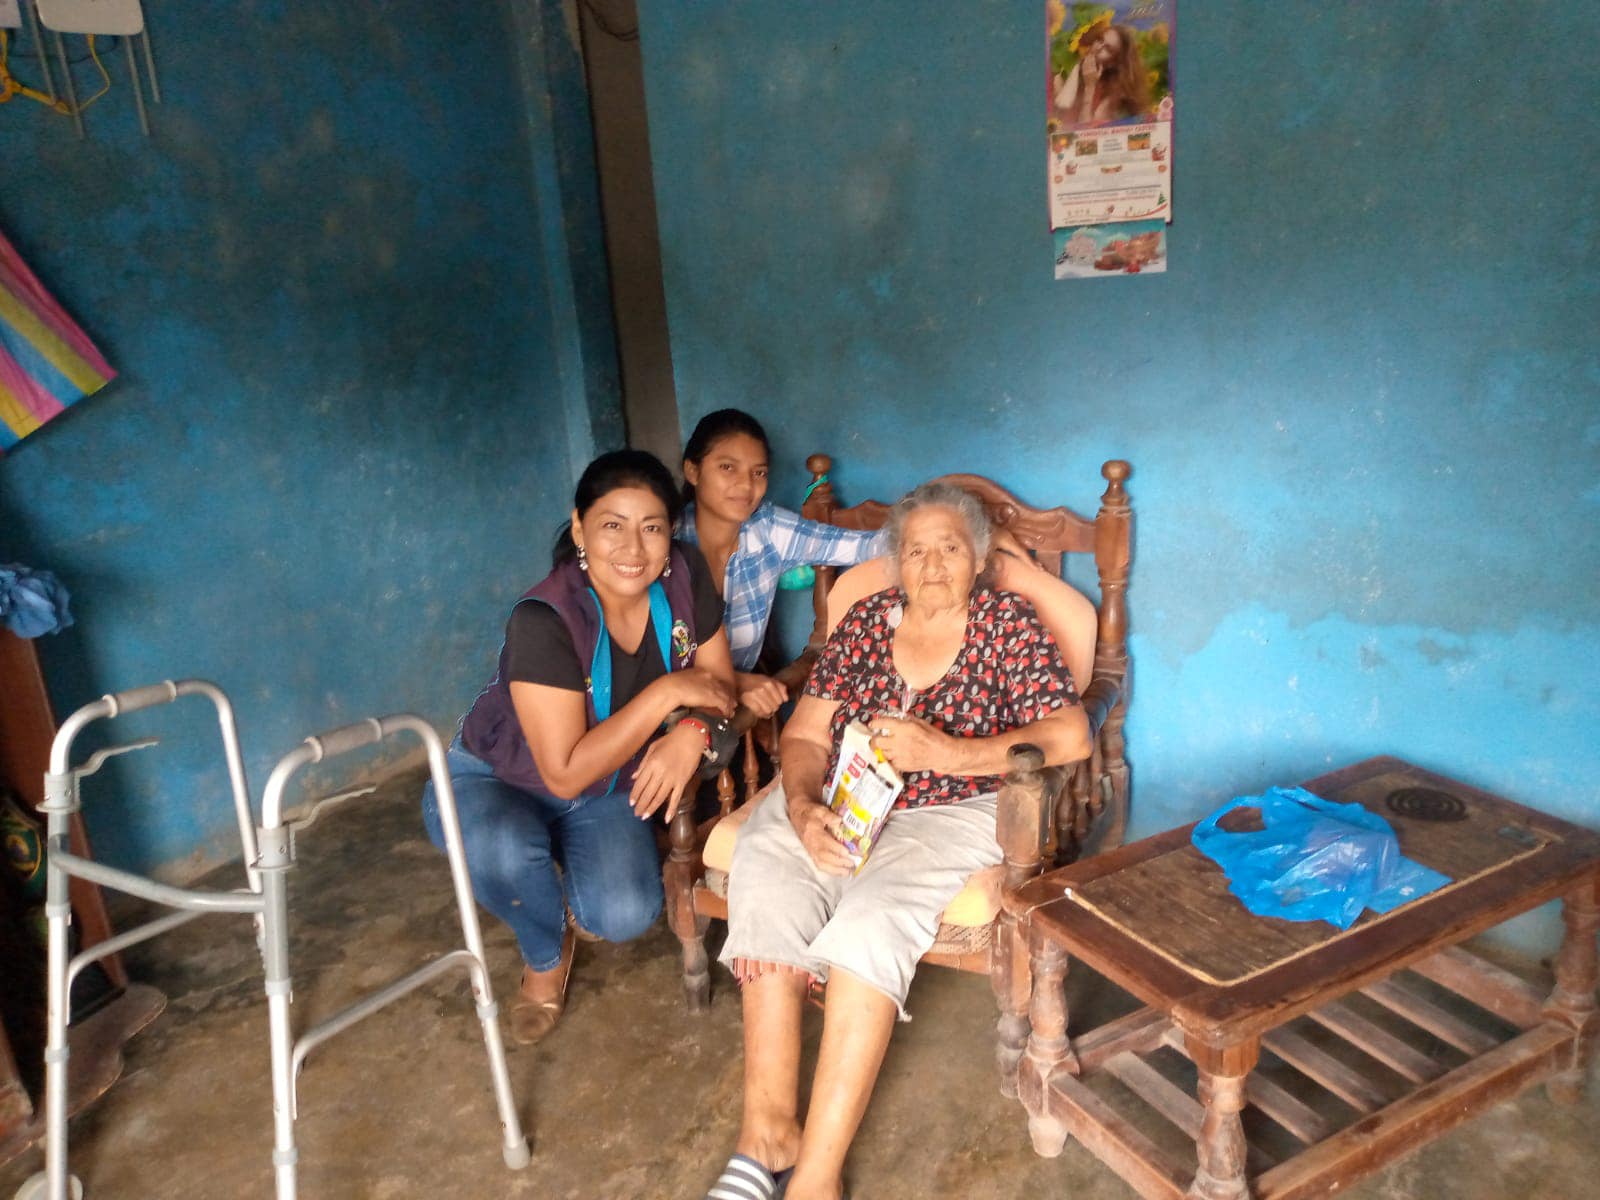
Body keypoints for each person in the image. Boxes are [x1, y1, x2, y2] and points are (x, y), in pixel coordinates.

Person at [704, 482, 1092, 1200]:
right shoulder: (864, 622)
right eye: (916, 551)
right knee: (767, 861)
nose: (933, 565)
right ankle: (766, 1134)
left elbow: (1071, 736)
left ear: (979, 558)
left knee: (872, 921)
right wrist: (800, 806)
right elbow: (805, 735)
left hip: (953, 808)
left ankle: (815, 1177)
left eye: (951, 548)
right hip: (843, 797)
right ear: (896, 563)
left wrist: (949, 753)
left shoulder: (1007, 623)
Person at [422, 449, 736, 1044]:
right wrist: (668, 692)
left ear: (672, 532)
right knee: (504, 849)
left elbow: (718, 687)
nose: (634, 548)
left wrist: (693, 731)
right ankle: (544, 954)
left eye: (652, 528)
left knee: (624, 914)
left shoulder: (684, 574)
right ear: (579, 529)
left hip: (607, 778)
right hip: (497, 778)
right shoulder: (545, 618)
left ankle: (553, 878)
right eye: (612, 525)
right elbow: (564, 772)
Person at [677, 409, 887, 721]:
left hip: (725, 716)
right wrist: (737, 682)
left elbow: (865, 546)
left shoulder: (767, 530)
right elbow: (645, 660)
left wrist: (938, 535)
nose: (745, 485)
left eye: (758, 473)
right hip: (661, 711)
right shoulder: (663, 540)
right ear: (693, 471)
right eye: (727, 467)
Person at [1053, 22, 1151, 125]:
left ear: (1113, 63)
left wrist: (1089, 87)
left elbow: (1087, 131)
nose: (1098, 47)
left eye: (1108, 49)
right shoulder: (1066, 71)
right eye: (1099, 39)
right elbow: (1058, 113)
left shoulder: (1113, 96)